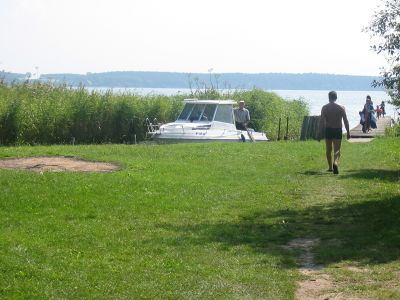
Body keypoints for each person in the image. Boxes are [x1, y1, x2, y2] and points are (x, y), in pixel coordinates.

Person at [318, 91, 350, 174]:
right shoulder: (341, 108)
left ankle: (330, 168)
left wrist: (319, 132)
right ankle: (335, 163)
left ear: (329, 97)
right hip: (337, 129)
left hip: (328, 129)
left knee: (328, 149)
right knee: (337, 149)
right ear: (336, 98)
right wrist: (348, 132)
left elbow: (321, 121)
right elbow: (346, 121)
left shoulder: (324, 108)